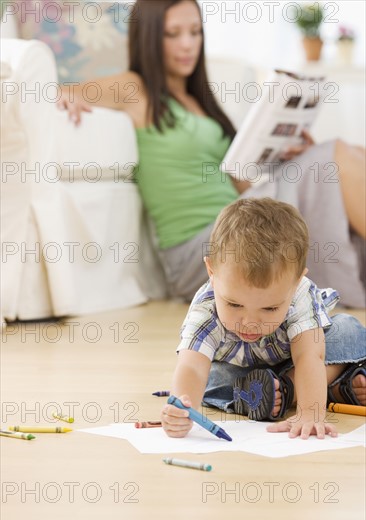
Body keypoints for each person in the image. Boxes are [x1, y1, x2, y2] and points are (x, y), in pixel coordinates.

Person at [58, 0, 366, 307]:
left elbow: (241, 188)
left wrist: (291, 161)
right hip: (203, 249)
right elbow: (54, 90)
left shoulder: (199, 101)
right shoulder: (134, 88)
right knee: (335, 155)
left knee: (348, 155)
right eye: (173, 34)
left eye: (195, 32)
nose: (188, 45)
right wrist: (68, 98)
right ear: (149, 38)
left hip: (240, 223)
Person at [161, 197, 366, 440]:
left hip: (296, 361)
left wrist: (311, 414)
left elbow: (309, 357)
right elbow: (192, 367)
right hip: (242, 372)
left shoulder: (301, 294)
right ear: (211, 272)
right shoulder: (205, 308)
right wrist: (183, 410)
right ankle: (336, 385)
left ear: (296, 282)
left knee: (347, 330)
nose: (249, 323)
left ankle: (287, 391)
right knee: (213, 379)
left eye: (269, 309)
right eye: (235, 304)